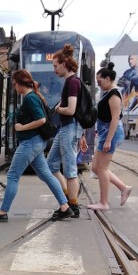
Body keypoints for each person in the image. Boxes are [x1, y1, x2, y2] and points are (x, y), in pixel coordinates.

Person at [0, 69, 72, 223]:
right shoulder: (34, 96)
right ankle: (65, 207)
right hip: (36, 143)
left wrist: (21, 128)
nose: (14, 87)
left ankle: (3, 212)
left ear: (19, 83)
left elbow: (41, 120)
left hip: (30, 142)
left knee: (12, 176)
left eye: (14, 84)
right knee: (46, 175)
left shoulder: (30, 98)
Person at [87, 63, 132, 211]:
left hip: (110, 134)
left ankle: (104, 202)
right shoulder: (107, 93)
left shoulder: (114, 95)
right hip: (105, 132)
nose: (99, 84)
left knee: (102, 168)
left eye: (100, 81)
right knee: (96, 167)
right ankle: (123, 188)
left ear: (108, 78)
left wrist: (107, 140)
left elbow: (115, 119)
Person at [48, 44, 85, 218]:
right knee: (51, 164)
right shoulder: (71, 82)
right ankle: (67, 198)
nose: (55, 70)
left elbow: (70, 110)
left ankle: (73, 206)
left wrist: (58, 109)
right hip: (66, 128)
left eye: (56, 66)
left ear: (64, 64)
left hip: (69, 127)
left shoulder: (72, 82)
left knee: (70, 170)